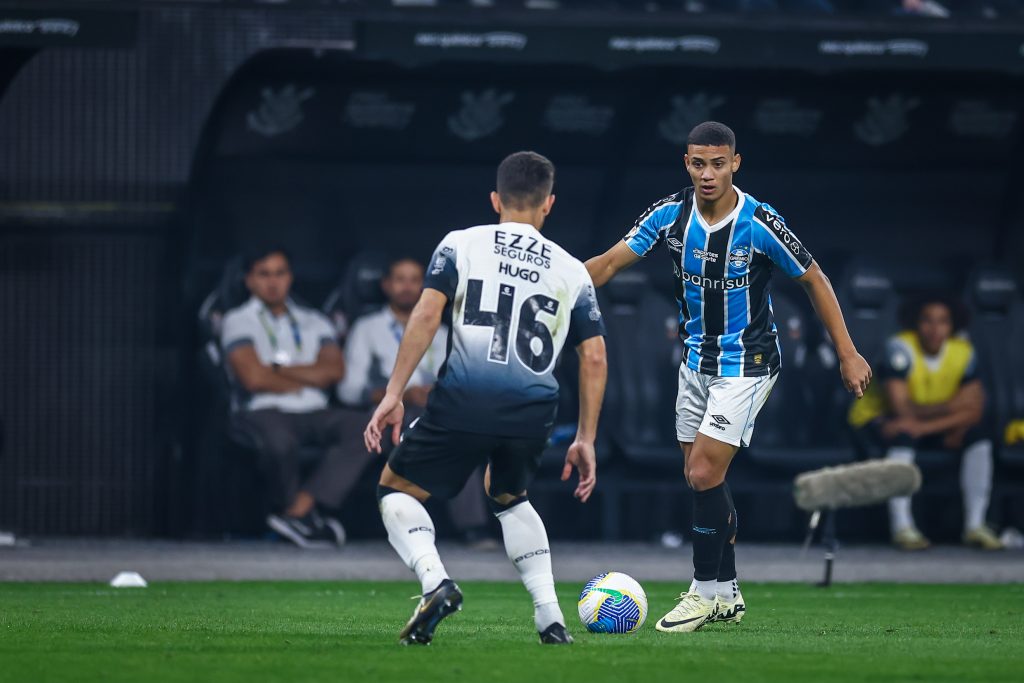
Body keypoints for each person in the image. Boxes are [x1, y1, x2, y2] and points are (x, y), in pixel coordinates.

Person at [585, 121, 872, 632]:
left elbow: (814, 278)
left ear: (736, 163)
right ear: (687, 163)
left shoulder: (759, 221)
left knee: (702, 473)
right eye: (699, 163)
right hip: (696, 361)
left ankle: (700, 592)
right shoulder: (670, 214)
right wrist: (546, 284)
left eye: (719, 163)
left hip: (749, 362)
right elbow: (606, 265)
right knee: (702, 480)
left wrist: (848, 353)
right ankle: (727, 592)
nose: (708, 173)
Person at [363, 151, 608, 646]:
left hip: (464, 399)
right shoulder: (572, 270)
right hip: (534, 411)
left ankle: (436, 583)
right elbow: (595, 358)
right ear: (549, 205)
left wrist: (394, 394)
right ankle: (550, 617)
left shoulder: (460, 244)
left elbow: (427, 315)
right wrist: (585, 437)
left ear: (496, 199)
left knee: (396, 488)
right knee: (509, 496)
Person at [221, 245, 372, 548]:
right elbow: (253, 378)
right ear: (249, 280)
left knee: (366, 428)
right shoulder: (238, 319)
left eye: (279, 273)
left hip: (315, 409)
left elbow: (334, 371)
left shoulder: (313, 320)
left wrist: (276, 369)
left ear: (290, 277)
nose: (273, 282)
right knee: (279, 442)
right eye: (264, 274)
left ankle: (297, 511)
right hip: (263, 409)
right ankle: (300, 518)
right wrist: (307, 372)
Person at [338, 257, 493, 546]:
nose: (407, 287)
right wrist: (400, 394)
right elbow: (349, 390)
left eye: (414, 279)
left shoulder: (445, 332)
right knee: (372, 432)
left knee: (461, 435)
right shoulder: (367, 328)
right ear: (385, 285)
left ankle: (473, 527)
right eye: (400, 279)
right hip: (383, 414)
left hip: (434, 412)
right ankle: (324, 516)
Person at [849, 295, 1002, 551]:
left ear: (952, 326)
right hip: (877, 420)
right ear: (915, 323)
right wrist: (954, 407)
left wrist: (928, 425)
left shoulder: (964, 353)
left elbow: (975, 411)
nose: (935, 329)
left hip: (925, 425)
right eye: (927, 321)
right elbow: (903, 409)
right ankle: (902, 527)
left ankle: (975, 526)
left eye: (942, 322)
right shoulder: (898, 348)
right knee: (904, 436)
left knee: (979, 436)